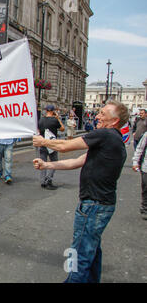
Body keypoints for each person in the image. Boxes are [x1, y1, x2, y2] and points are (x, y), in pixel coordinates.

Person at [33, 101, 129, 283]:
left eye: (102, 113)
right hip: (102, 205)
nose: (97, 116)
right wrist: (47, 164)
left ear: (114, 121)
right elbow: (77, 161)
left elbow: (65, 146)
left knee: (80, 256)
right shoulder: (112, 141)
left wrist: (43, 141)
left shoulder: (106, 135)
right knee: (91, 251)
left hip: (93, 205)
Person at [37, 104, 65, 190]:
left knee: (43, 162)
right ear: (53, 111)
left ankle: (42, 181)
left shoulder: (41, 120)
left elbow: (38, 130)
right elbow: (62, 128)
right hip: (52, 144)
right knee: (54, 162)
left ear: (46, 110)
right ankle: (48, 179)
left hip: (42, 144)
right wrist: (58, 118)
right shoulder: (54, 120)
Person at [132, 131, 147, 220]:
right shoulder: (146, 135)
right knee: (146, 188)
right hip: (146, 167)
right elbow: (140, 148)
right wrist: (135, 162)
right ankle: (145, 209)